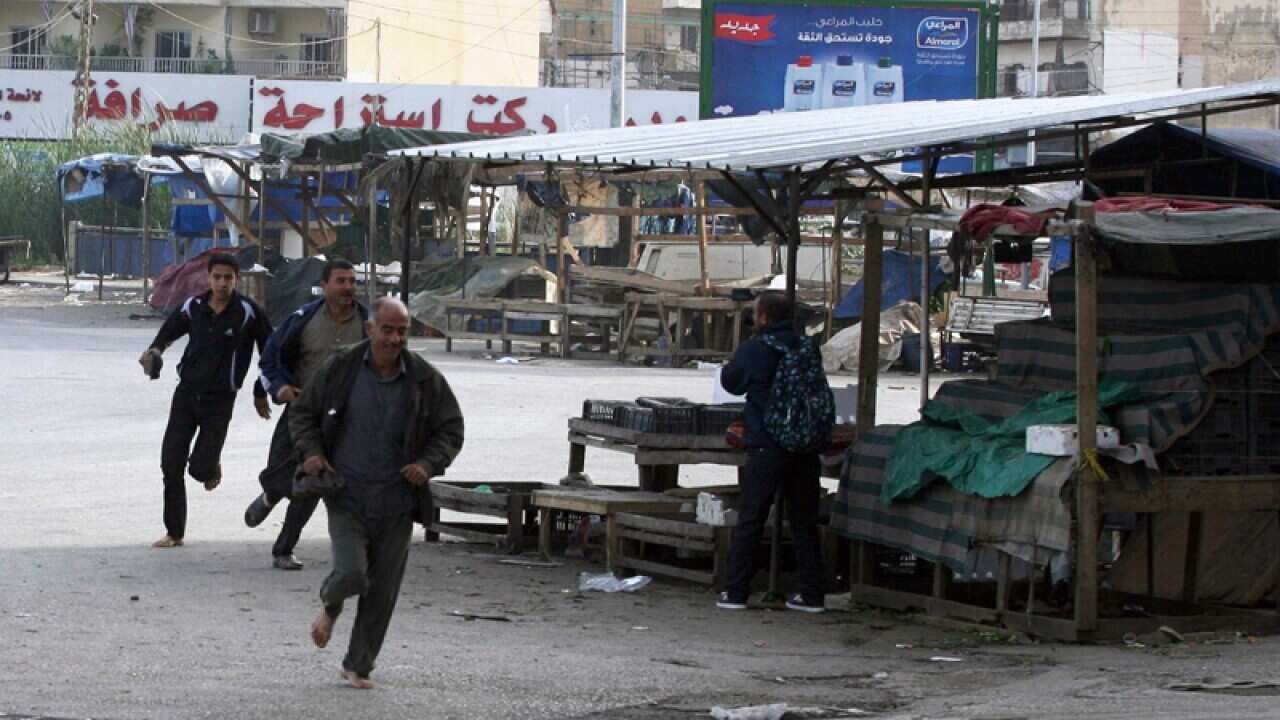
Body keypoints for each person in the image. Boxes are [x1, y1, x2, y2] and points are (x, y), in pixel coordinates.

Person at [290, 297, 464, 689]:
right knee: (352, 572)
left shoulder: (424, 379)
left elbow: (450, 429)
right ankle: (330, 605)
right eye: (387, 329)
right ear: (370, 329)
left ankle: (358, 665)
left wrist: (428, 465)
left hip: (398, 500)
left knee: (382, 590)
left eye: (402, 331)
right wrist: (314, 453)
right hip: (346, 493)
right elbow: (302, 414)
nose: (395, 338)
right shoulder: (341, 369)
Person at [139, 253, 273, 549]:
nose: (222, 283)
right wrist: (153, 352)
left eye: (228, 277)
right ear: (208, 278)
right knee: (170, 462)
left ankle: (210, 466)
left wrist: (260, 389)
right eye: (217, 277)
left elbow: (271, 353)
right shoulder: (193, 306)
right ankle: (174, 532)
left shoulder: (248, 313)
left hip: (220, 401)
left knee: (198, 470)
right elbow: (168, 333)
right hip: (186, 394)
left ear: (236, 279)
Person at [244, 259, 367, 571]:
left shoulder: (368, 323)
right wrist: (281, 388)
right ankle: (271, 495)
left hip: (342, 419)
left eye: (352, 281)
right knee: (279, 470)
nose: (348, 287)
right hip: (301, 410)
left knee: (315, 480)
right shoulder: (302, 320)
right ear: (324, 286)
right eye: (341, 281)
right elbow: (270, 359)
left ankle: (283, 549)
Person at [715, 291, 825, 613]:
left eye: (755, 312)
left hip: (767, 444)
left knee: (751, 518)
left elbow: (731, 383)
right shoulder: (807, 347)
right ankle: (812, 595)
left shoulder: (755, 348)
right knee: (804, 521)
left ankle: (735, 593)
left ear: (763, 317)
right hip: (804, 445)